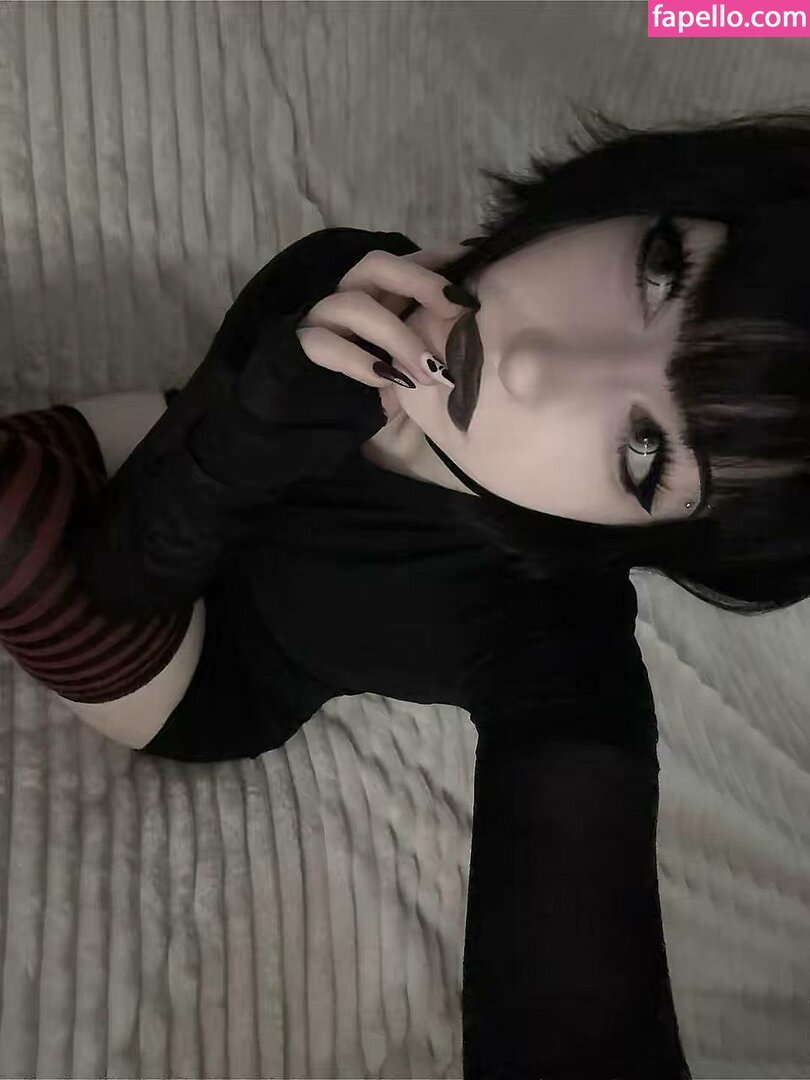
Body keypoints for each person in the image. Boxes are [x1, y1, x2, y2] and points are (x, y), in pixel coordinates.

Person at [2, 106, 810, 1078]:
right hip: (170, 469)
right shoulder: (346, 277)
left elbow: (116, 587)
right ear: (630, 195)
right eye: (660, 270)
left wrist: (262, 413)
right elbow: (140, 521)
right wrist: (270, 397)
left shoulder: (554, 639)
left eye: (645, 453)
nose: (532, 366)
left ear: (649, 534)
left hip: (202, 662)